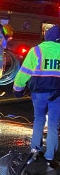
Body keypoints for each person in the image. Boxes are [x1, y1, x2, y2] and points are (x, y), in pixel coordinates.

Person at [13, 24, 60, 166]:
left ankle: (35, 149)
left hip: (38, 93)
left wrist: (18, 89)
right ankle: (50, 155)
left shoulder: (37, 51)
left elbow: (24, 72)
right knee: (53, 125)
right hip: (57, 94)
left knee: (39, 120)